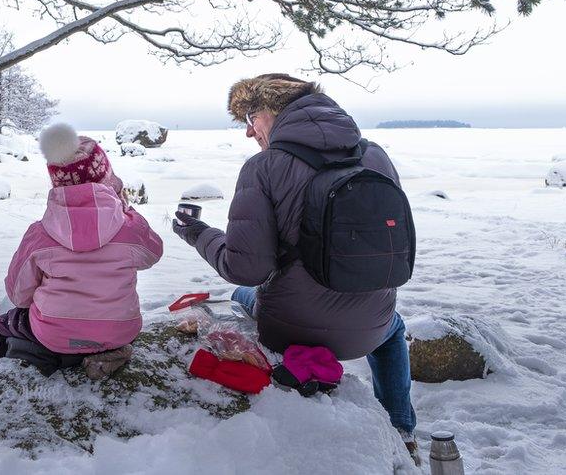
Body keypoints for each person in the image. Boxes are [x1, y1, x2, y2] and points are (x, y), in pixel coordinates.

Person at [171, 74, 419, 464]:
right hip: (371, 327)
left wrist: (198, 233)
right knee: (394, 330)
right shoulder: (375, 156)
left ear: (273, 110)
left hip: (291, 328)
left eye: (251, 118)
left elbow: (245, 268)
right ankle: (402, 429)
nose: (249, 133)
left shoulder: (262, 168)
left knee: (241, 295)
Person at [0, 123, 163, 378]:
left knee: (3, 325)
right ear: (108, 179)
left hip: (53, 335)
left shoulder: (40, 234)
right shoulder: (129, 228)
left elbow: (19, 295)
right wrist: (128, 212)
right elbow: (153, 252)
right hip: (120, 330)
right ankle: (102, 355)